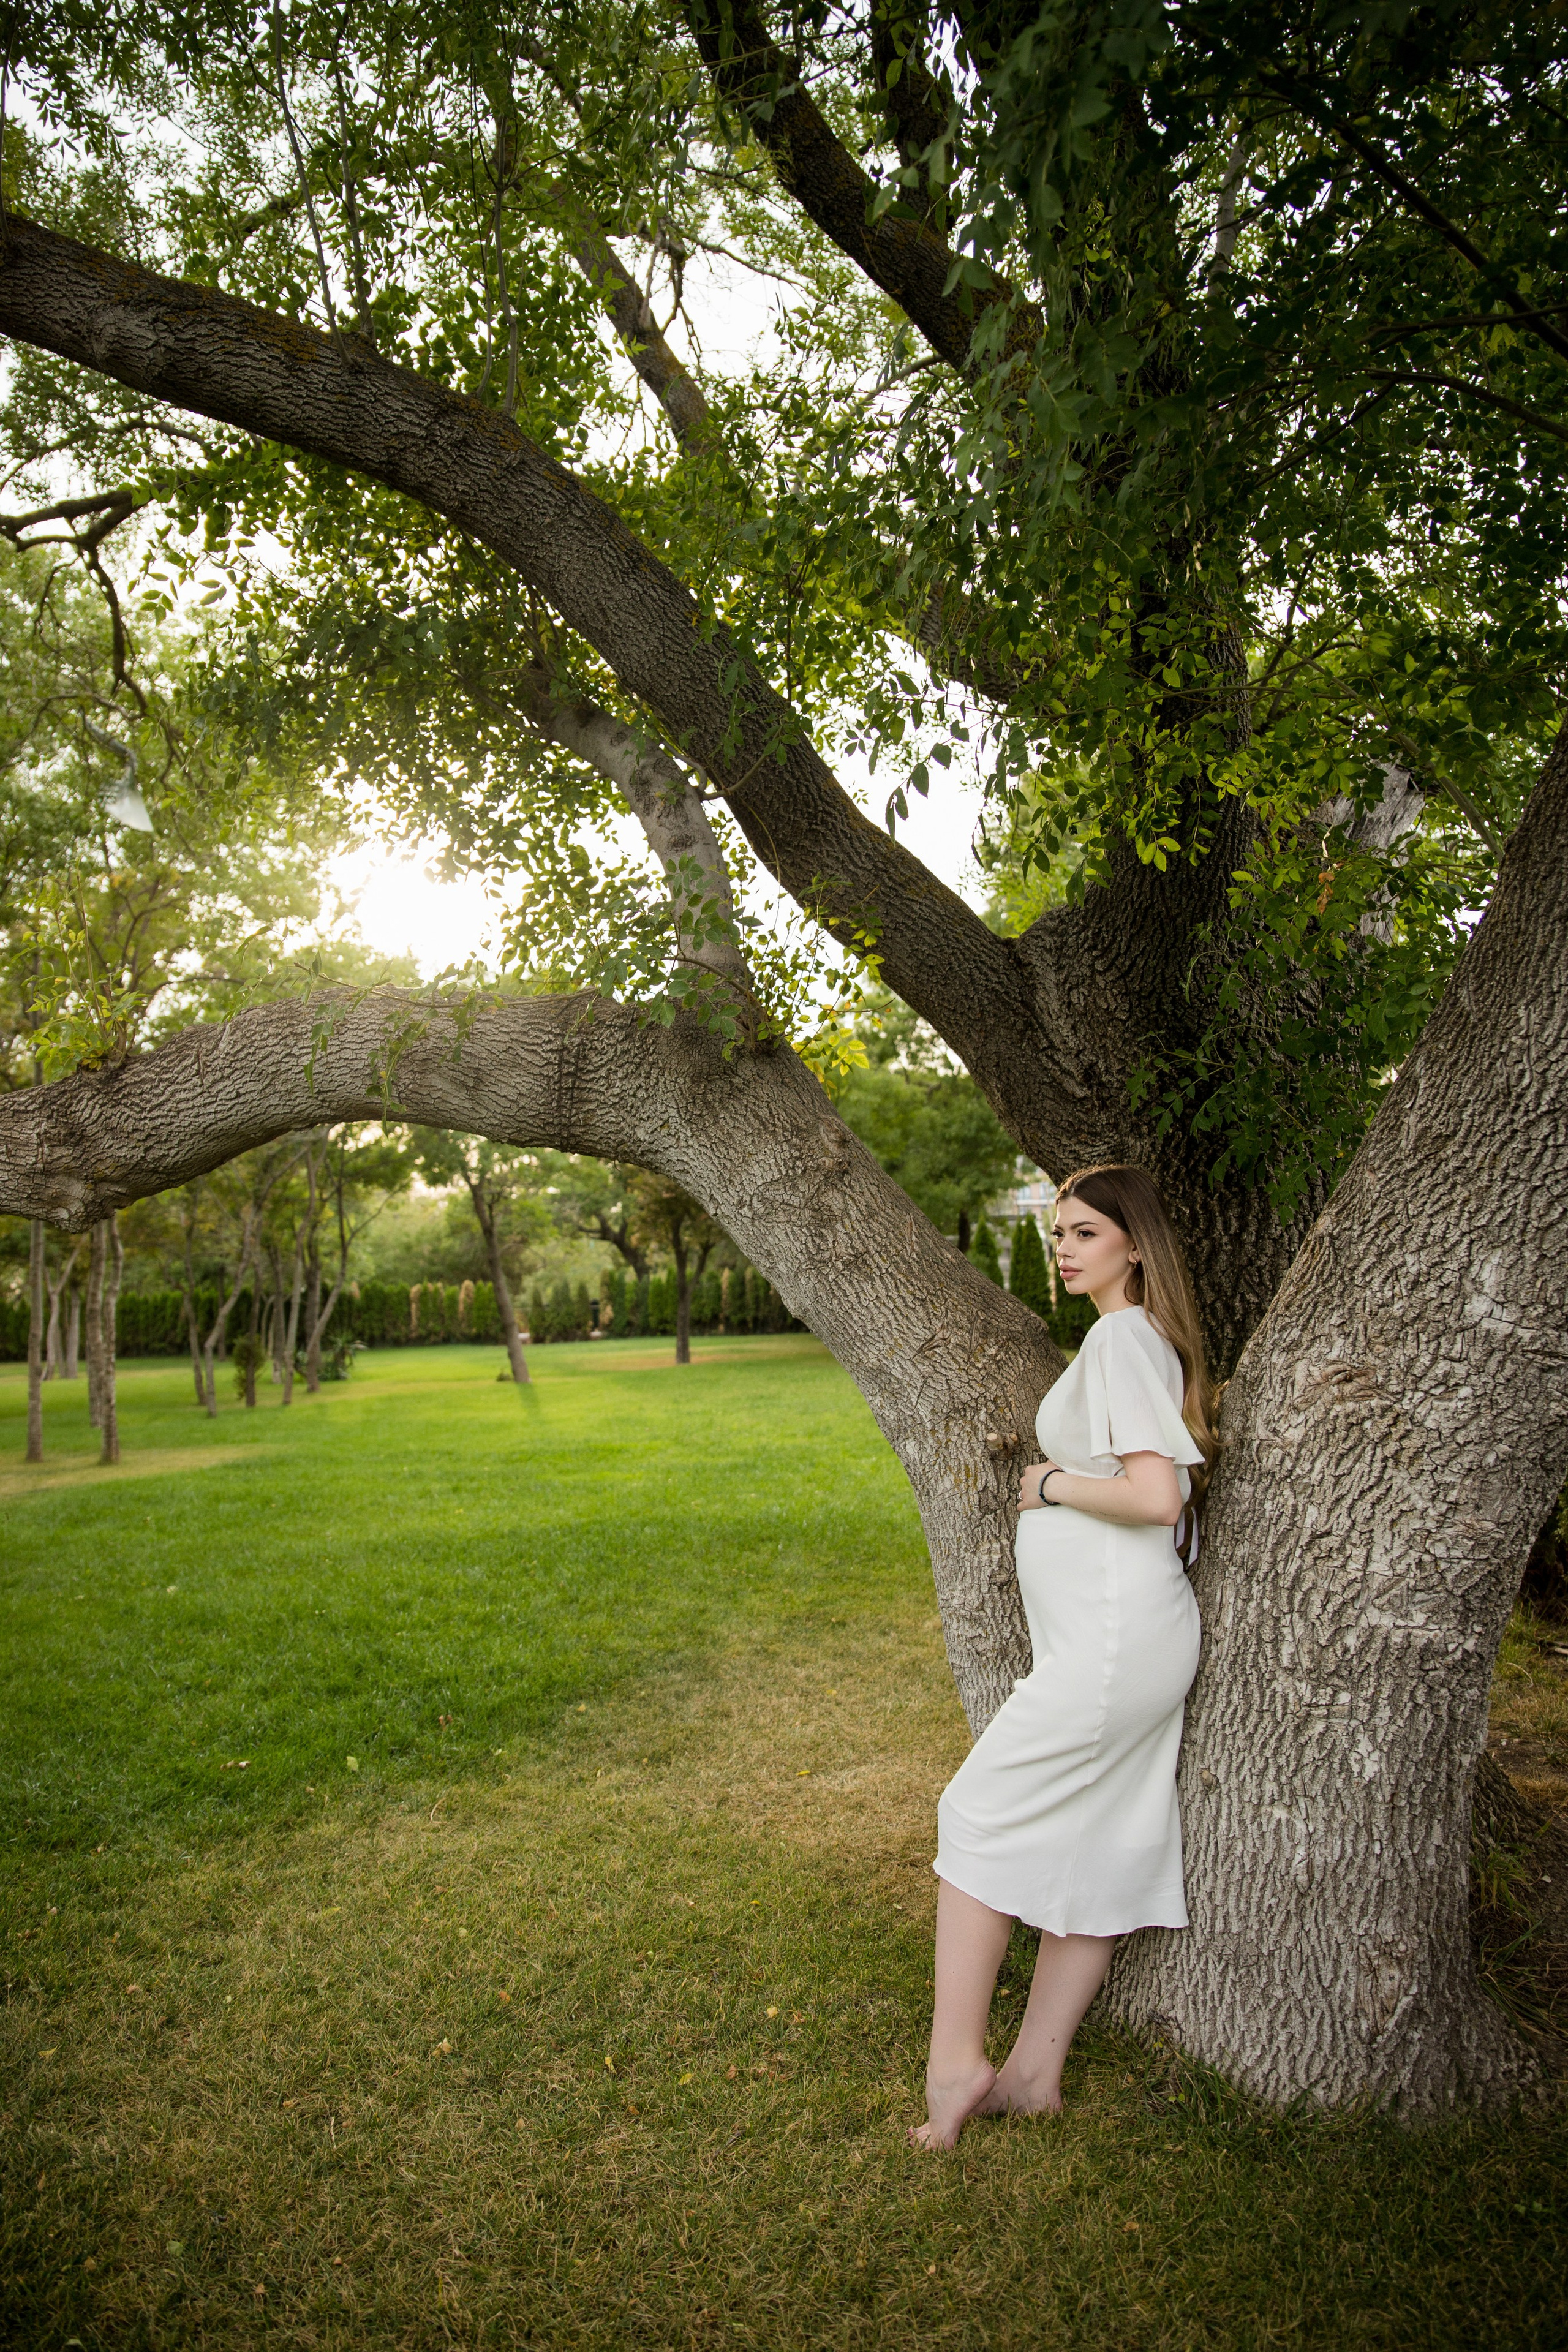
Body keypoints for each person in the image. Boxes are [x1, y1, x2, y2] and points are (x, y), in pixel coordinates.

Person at [911, 1164, 1218, 2151]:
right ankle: (1034, 2076)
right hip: (1120, 1635)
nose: (1066, 1249)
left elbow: (1156, 1497)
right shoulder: (1133, 1339)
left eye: (1086, 1232)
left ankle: (957, 2065)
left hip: (1116, 1640)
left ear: (1136, 1245)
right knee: (1102, 1838)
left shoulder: (1124, 1338)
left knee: (975, 1812)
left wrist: (1049, 1488)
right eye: (1059, 1234)